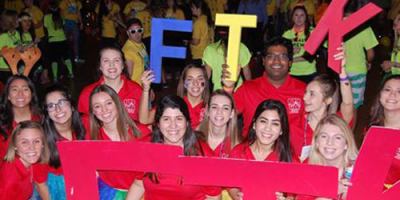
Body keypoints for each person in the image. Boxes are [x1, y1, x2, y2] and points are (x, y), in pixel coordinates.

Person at [126, 95, 221, 200]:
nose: (173, 125)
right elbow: (139, 184)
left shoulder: (203, 155)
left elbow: (213, 197)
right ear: (158, 123)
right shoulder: (147, 147)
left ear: (188, 122)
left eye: (179, 118)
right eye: (166, 119)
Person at [224, 37, 306, 139]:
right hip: (252, 152)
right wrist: (228, 87)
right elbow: (224, 116)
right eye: (271, 56)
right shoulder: (248, 89)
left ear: (290, 62)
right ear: (263, 61)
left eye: (282, 57)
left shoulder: (304, 91)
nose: (276, 61)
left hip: (290, 153)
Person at [228, 99, 296, 200]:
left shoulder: (289, 158)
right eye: (263, 121)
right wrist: (237, 196)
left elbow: (295, 194)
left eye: (275, 124)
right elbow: (230, 184)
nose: (268, 128)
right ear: (255, 124)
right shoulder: (238, 152)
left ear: (281, 130)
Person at [294, 48, 354, 160]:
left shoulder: (338, 122)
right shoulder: (295, 122)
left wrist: (342, 71)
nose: (304, 97)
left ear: (327, 100)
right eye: (306, 92)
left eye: (312, 94)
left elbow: (348, 102)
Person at [87, 84, 144, 199]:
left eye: (108, 103)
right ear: (93, 111)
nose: (104, 110)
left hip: (141, 193)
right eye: (97, 106)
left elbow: (145, 177)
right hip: (108, 193)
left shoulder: (141, 133)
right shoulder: (92, 138)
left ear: (117, 104)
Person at [78, 46, 149, 135]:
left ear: (123, 65)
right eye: (106, 61)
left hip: (131, 142)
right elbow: (84, 126)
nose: (112, 65)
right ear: (100, 66)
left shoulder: (136, 89)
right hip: (101, 144)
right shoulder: (88, 93)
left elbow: (145, 121)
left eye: (116, 60)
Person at [34, 84, 86, 200]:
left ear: (72, 105)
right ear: (47, 112)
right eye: (51, 106)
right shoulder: (41, 138)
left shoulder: (85, 124)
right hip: (58, 191)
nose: (58, 109)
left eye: (61, 102)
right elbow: (40, 182)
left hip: (86, 182)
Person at [297, 114, 358, 200]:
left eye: (337, 138)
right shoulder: (308, 167)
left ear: (346, 144)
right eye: (324, 136)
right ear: (317, 142)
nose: (330, 142)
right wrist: (331, 191)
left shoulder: (358, 171)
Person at [139, 64, 210, 130]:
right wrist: (145, 90)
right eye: (190, 79)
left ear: (206, 82)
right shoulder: (173, 103)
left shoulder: (212, 106)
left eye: (200, 79)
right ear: (184, 83)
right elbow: (144, 120)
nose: (195, 83)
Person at [0, 121, 49, 199]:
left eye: (36, 141)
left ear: (43, 144)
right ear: (14, 145)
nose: (32, 147)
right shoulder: (10, 178)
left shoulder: (29, 162)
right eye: (24, 142)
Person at [342, 3, 378, 110]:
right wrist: (369, 62)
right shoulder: (364, 29)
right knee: (355, 103)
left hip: (341, 70)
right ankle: (353, 123)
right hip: (358, 70)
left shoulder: (337, 29)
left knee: (345, 100)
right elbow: (370, 53)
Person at [0, 75, 42, 162]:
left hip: (42, 173)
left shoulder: (43, 120)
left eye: (25, 89)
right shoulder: (1, 124)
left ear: (32, 94)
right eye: (14, 89)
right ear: (8, 96)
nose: (20, 94)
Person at [368, 75, 400, 189]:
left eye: (399, 91)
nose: (392, 94)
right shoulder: (373, 128)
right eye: (387, 89)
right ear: (380, 94)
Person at [203, 27, 252, 91]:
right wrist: (251, 89)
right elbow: (247, 74)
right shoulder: (241, 47)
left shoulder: (210, 49)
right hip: (238, 89)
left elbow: (207, 75)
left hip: (219, 90)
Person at [198, 89, 241, 157]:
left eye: (225, 108)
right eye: (214, 107)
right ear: (207, 111)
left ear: (231, 113)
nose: (219, 112)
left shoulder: (239, 147)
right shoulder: (193, 140)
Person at [283, 6, 316, 83]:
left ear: (306, 17)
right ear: (292, 17)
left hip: (309, 72)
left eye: (302, 15)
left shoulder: (313, 32)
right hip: (292, 72)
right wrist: (291, 51)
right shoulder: (287, 34)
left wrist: (291, 59)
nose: (299, 18)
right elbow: (283, 56)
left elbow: (310, 57)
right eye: (296, 15)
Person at [44, 1, 74, 81]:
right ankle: (71, 73)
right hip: (62, 40)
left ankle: (55, 77)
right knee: (66, 57)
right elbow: (63, 27)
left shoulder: (46, 17)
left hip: (52, 41)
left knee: (54, 59)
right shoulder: (61, 16)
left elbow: (46, 27)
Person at [122, 18, 149, 84]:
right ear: (128, 33)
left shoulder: (141, 44)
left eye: (139, 30)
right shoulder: (128, 51)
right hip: (135, 89)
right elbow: (128, 77)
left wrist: (148, 88)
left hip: (144, 86)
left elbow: (146, 65)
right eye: (133, 31)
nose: (137, 34)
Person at [190, 0, 213, 65]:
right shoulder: (207, 19)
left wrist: (188, 41)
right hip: (207, 54)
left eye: (193, 7)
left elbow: (196, 41)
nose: (191, 9)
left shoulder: (198, 22)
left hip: (198, 55)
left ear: (199, 8)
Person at [0, 10, 21, 83]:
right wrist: (14, 50)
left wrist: (30, 45)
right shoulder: (3, 36)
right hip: (4, 69)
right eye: (17, 18)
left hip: (14, 66)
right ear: (10, 21)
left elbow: (19, 48)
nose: (19, 20)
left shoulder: (17, 33)